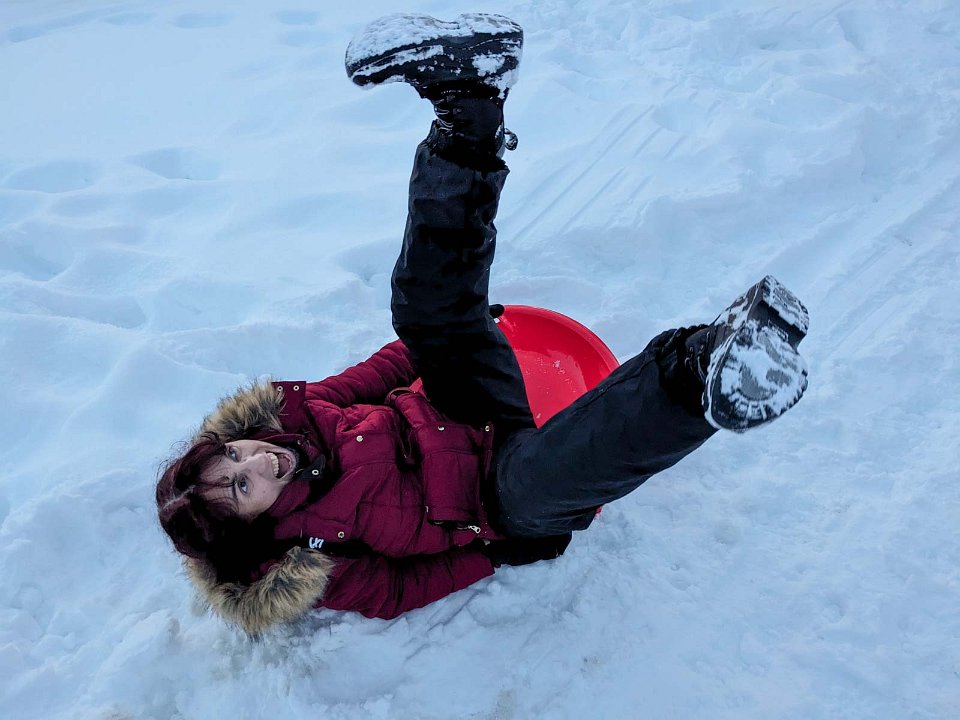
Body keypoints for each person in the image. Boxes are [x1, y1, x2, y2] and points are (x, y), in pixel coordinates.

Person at [156, 13, 809, 635]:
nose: (256, 459)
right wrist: (494, 553)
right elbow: (397, 591)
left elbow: (373, 376)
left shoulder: (290, 416)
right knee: (548, 480)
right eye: (242, 485)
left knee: (420, 309)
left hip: (459, 405)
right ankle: (708, 365)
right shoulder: (305, 555)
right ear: (249, 526)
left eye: (234, 454)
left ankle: (469, 107)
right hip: (493, 498)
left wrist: (449, 330)